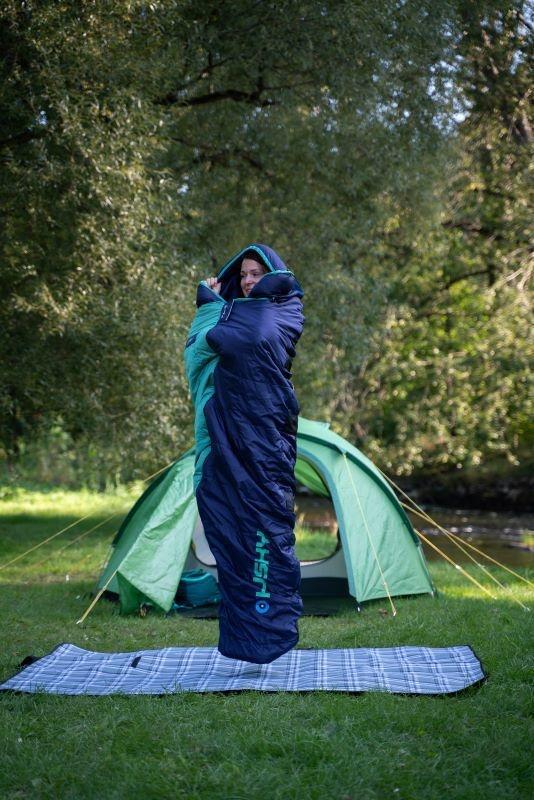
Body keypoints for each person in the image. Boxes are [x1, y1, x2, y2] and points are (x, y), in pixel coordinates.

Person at [204, 254, 269, 297]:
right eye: (243, 276)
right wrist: (213, 298)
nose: (247, 281)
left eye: (255, 274)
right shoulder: (228, 309)